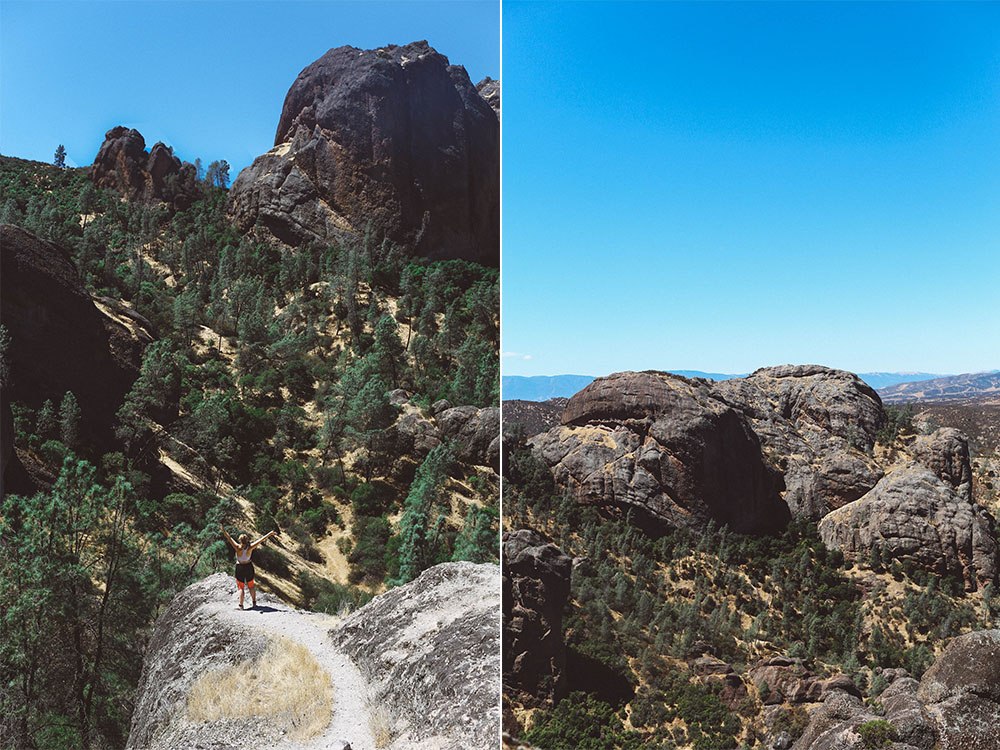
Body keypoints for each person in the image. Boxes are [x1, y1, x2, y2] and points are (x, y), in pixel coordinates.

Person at [221, 524, 277, 609]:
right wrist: (270, 533)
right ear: (247, 540)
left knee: (241, 587)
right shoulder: (250, 547)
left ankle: (241, 605)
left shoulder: (237, 547)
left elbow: (229, 538)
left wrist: (223, 530)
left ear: (240, 540)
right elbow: (261, 540)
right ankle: (254, 602)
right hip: (248, 567)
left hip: (239, 567)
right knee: (251, 585)